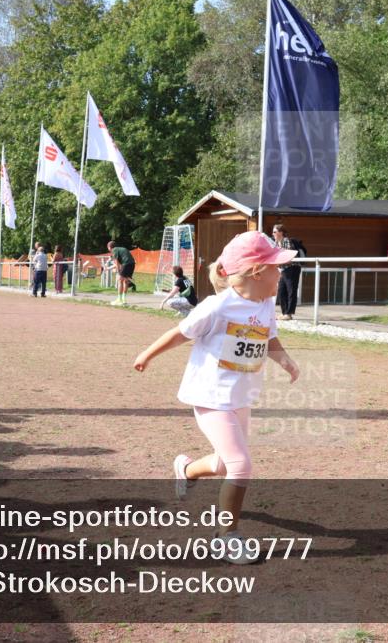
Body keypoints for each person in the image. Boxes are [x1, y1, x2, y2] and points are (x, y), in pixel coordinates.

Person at [133, 231, 300, 564]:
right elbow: (179, 334)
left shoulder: (266, 304)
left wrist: (285, 360)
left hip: (241, 397)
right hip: (211, 397)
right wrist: (148, 354)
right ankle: (227, 536)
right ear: (256, 271)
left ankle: (187, 470)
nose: (281, 274)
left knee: (224, 463)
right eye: (276, 268)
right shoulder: (218, 306)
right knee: (240, 465)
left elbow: (268, 339)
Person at [271, 224, 305, 320]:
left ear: (281, 233)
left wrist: (279, 262)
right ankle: (284, 312)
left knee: (291, 290)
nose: (273, 234)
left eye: (274, 232)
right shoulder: (276, 242)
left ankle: (289, 313)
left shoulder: (286, 241)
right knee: (281, 291)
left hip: (292, 268)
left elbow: (290, 256)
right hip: (283, 269)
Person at [108, 240, 136, 305]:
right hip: (132, 264)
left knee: (120, 280)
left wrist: (118, 271)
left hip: (126, 264)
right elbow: (122, 262)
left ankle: (119, 299)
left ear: (109, 247)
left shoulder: (114, 250)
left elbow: (116, 262)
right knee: (125, 281)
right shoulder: (121, 249)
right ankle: (124, 299)